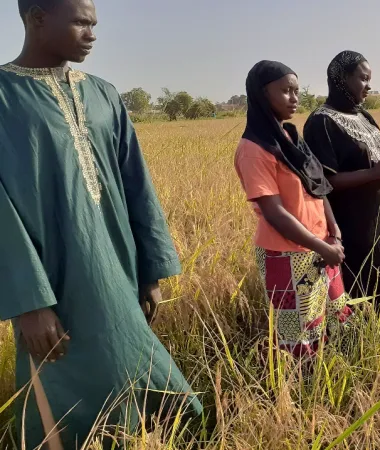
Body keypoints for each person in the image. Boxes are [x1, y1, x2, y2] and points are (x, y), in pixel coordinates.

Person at [0, 0, 202, 447]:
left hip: (120, 264)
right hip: (51, 277)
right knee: (62, 375)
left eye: (95, 23)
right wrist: (29, 302)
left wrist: (150, 269)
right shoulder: (2, 95)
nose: (92, 33)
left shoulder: (104, 93)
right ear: (36, 18)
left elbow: (137, 184)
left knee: (136, 366)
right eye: (80, 22)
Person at [234, 60, 353, 363]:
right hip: (286, 255)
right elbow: (274, 213)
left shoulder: (290, 139)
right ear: (262, 95)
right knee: (299, 333)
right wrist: (320, 246)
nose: (294, 98)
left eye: (296, 91)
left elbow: (319, 188)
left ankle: (331, 381)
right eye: (285, 91)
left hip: (322, 245)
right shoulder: (254, 149)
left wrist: (334, 233)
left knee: (334, 316)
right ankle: (299, 398)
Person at [304, 51, 380, 313]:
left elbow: (378, 161)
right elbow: (324, 182)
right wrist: (375, 174)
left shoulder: (364, 117)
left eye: (370, 80)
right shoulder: (321, 122)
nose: (369, 86)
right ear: (342, 79)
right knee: (360, 293)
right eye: (363, 79)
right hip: (353, 225)